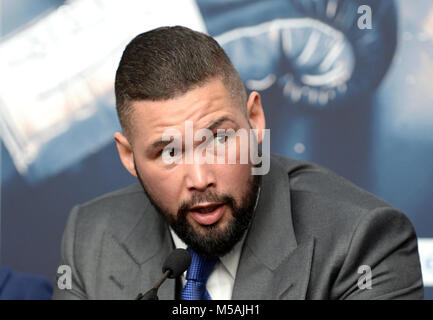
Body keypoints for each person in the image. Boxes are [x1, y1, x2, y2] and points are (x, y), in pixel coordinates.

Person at [52, 26, 423, 300]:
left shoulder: (365, 240)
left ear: (256, 121)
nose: (199, 179)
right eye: (168, 152)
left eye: (218, 139)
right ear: (129, 157)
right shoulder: (89, 236)